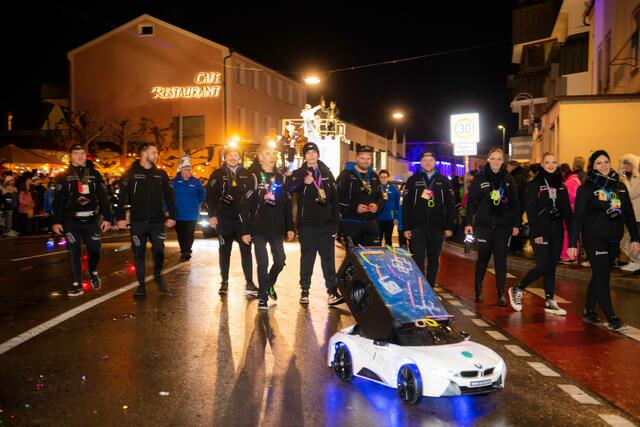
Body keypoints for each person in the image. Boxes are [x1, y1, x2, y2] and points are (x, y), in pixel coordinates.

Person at [568, 150, 640, 331]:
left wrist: (635, 237)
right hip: (594, 239)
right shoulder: (586, 189)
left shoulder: (619, 186)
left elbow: (629, 214)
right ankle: (612, 317)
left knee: (599, 275)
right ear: (592, 166)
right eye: (598, 163)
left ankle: (589, 310)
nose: (603, 166)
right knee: (603, 275)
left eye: (606, 162)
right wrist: (572, 243)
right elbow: (578, 218)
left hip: (613, 239)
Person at [508, 152, 572, 315]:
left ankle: (550, 300)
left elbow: (566, 211)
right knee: (543, 265)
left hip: (557, 232)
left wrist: (573, 236)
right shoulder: (535, 184)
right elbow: (531, 210)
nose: (551, 165)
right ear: (542, 165)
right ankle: (517, 289)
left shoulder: (561, 185)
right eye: (547, 162)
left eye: (554, 162)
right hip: (540, 232)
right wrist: (536, 233)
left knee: (551, 267)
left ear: (557, 164)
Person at [116, 142, 177, 298]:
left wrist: (172, 216)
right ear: (144, 154)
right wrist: (120, 218)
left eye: (157, 153)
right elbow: (121, 197)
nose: (157, 156)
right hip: (138, 223)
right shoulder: (130, 174)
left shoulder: (161, 174)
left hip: (157, 222)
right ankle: (141, 286)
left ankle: (157, 274)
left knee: (159, 250)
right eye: (154, 152)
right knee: (139, 253)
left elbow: (170, 196)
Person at [52, 144, 112, 297]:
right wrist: (56, 222)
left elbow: (104, 197)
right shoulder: (63, 176)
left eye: (82, 153)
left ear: (86, 156)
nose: (79, 156)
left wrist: (107, 218)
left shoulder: (95, 174)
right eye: (76, 153)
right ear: (70, 156)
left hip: (92, 220)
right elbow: (57, 201)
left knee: (95, 250)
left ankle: (92, 270)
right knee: (74, 252)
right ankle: (77, 285)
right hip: (71, 221)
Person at [288, 142, 343, 306]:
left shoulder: (327, 173)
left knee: (328, 261)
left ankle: (332, 292)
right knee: (307, 260)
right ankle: (305, 291)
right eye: (308, 153)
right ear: (304, 156)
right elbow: (290, 188)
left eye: (314, 152)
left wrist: (336, 224)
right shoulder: (299, 173)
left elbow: (334, 199)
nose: (311, 155)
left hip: (327, 226)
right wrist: (303, 182)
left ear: (318, 154)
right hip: (307, 226)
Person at [240, 145, 294, 310]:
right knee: (262, 263)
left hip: (276, 228)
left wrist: (290, 227)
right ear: (260, 158)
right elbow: (245, 207)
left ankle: (269, 284)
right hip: (258, 228)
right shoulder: (254, 178)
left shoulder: (282, 178)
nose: (271, 156)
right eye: (267, 154)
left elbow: (287, 205)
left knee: (280, 261)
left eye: (273, 154)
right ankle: (263, 297)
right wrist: (245, 231)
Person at [465, 148, 520, 306]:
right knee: (483, 258)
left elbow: (515, 204)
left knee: (501, 260)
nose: (496, 162)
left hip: (503, 227)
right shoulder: (480, 178)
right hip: (484, 226)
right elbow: (471, 202)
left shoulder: (508, 179)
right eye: (493, 159)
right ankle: (478, 289)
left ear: (503, 161)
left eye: (499, 159)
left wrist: (516, 224)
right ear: (488, 160)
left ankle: (501, 293)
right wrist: (468, 223)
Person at [206, 145, 257, 296]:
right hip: (224, 221)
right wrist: (212, 215)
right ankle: (224, 282)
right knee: (224, 252)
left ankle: (249, 283)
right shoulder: (217, 174)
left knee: (246, 252)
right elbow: (209, 196)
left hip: (243, 222)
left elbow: (252, 197)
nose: (233, 158)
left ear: (239, 158)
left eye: (235, 155)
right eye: (230, 155)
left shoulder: (248, 174)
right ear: (225, 158)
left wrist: (251, 218)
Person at [402, 151, 455, 287]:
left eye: (431, 160)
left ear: (435, 162)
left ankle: (430, 286)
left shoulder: (444, 181)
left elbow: (450, 206)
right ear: (420, 163)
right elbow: (406, 206)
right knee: (418, 257)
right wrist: (406, 227)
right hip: (417, 227)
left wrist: (449, 226)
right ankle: (420, 286)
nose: (428, 163)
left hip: (437, 227)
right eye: (425, 160)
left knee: (433, 259)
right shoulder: (413, 180)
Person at [336, 146, 383, 246]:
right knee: (353, 254)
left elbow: (380, 197)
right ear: (357, 158)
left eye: (368, 158)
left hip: (370, 223)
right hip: (351, 222)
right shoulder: (345, 175)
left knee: (373, 253)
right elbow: (337, 198)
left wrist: (377, 206)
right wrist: (355, 208)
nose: (366, 161)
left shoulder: (374, 176)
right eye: (362, 158)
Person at [171, 155, 206, 262]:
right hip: (179, 214)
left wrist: (197, 202)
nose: (188, 171)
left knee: (189, 233)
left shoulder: (195, 182)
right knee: (181, 234)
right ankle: (183, 250)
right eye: (186, 169)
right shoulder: (174, 182)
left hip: (192, 214)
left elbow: (202, 193)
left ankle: (187, 251)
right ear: (181, 170)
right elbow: (168, 196)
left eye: (189, 169)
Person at [619, 154, 640, 273]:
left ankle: (637, 262)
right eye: (624, 164)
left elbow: (631, 194)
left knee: (633, 239)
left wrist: (624, 182)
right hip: (633, 213)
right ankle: (634, 261)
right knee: (630, 239)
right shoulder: (632, 176)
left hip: (637, 213)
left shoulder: (637, 177)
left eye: (628, 164)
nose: (626, 166)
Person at [559, 163, 581, 263]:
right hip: (573, 210)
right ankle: (571, 255)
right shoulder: (575, 179)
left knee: (568, 232)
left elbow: (571, 196)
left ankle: (567, 256)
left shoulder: (570, 181)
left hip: (570, 210)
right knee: (571, 233)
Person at [507, 160, 528, 255]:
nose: (507, 169)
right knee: (517, 224)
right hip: (522, 204)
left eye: (508, 167)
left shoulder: (515, 177)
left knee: (516, 225)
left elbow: (515, 193)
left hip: (517, 205)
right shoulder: (522, 175)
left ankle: (516, 247)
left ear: (511, 166)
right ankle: (516, 246)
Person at [376, 169, 400, 246]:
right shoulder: (376, 188)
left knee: (388, 239)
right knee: (377, 239)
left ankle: (388, 253)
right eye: (382, 177)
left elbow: (397, 204)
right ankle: (377, 253)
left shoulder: (393, 189)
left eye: (385, 177)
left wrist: (396, 217)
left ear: (388, 177)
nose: (383, 179)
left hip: (390, 217)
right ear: (379, 177)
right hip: (378, 217)